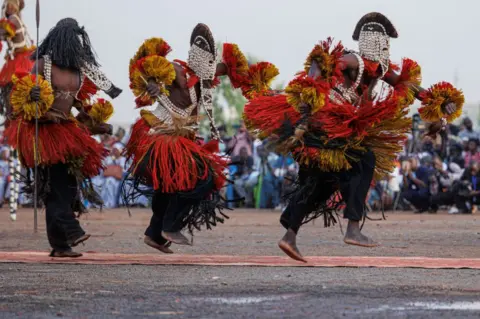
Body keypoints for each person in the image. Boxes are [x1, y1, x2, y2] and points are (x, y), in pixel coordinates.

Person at [243, 12, 463, 262]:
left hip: (332, 129)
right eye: (385, 44)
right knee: (365, 158)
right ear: (377, 44)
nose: (387, 50)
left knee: (321, 185)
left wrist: (439, 103)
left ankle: (289, 237)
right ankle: (353, 228)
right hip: (325, 125)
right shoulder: (354, 60)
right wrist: (311, 88)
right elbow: (321, 59)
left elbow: (409, 87)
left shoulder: (376, 71)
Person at [124, 24, 278, 253]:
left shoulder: (206, 73)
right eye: (205, 60)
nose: (210, 68)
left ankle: (155, 234)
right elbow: (141, 66)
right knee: (203, 178)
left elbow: (237, 71)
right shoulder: (176, 70)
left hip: (179, 141)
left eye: (211, 62)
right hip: (161, 139)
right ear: (194, 56)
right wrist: (151, 83)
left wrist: (265, 92)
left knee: (169, 188)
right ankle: (170, 227)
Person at [4, 18, 122, 257]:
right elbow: (19, 98)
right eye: (71, 41)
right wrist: (33, 96)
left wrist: (97, 123)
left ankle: (60, 246)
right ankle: (72, 231)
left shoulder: (78, 72)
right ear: (60, 40)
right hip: (43, 134)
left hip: (67, 132)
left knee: (65, 189)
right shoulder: (41, 65)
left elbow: (79, 108)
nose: (75, 46)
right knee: (56, 187)